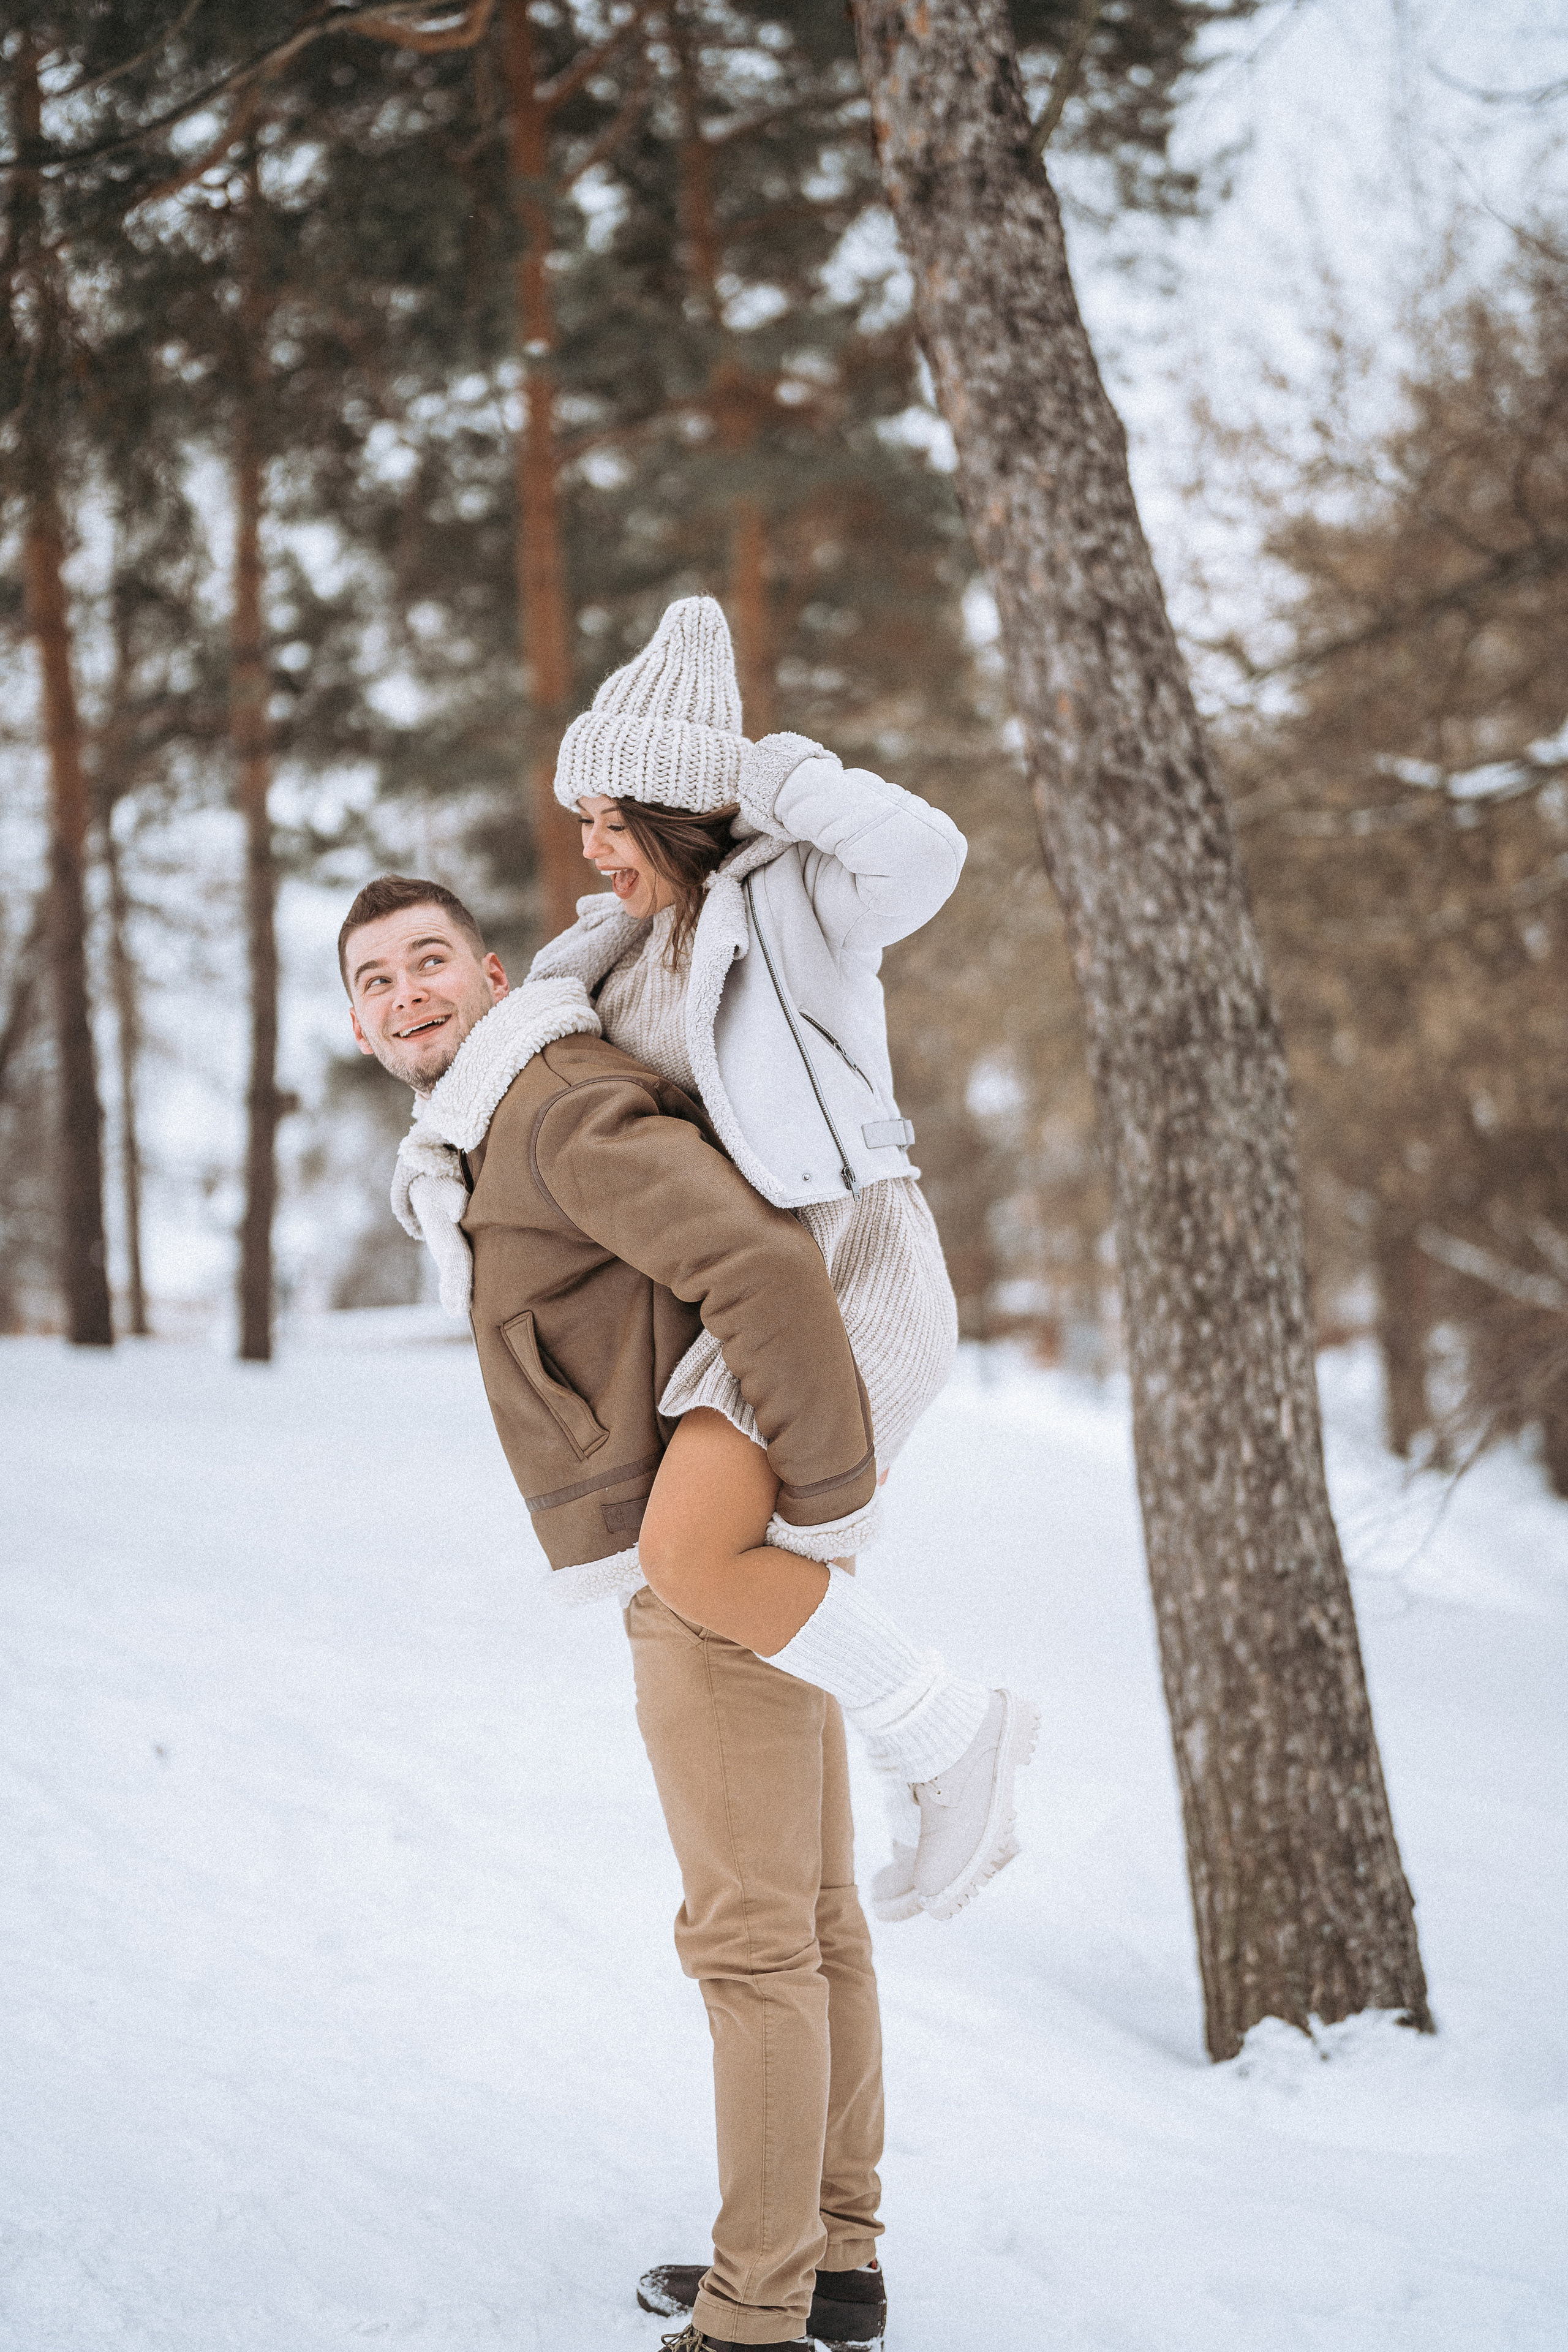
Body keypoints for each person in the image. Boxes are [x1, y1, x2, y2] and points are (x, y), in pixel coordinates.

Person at [342, 873, 886, 2351]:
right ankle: (830, 2258)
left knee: (749, 1944)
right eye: (374, 980)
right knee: (810, 1920)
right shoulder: (492, 1126)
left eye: (428, 960)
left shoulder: (544, 1104)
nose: (405, 996)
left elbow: (758, 1263)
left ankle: (756, 2312)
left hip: (704, 1551)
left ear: (490, 968)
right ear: (359, 1020)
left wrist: (823, 1495)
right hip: (725, 1526)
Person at [514, 594, 1038, 1928]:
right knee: (735, 1566)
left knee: (695, 1556)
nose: (587, 846)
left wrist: (767, 775)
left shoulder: (796, 899)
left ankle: (953, 1734)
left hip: (850, 1265)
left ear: (668, 809)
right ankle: (937, 1752)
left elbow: (925, 856)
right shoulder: (617, 957)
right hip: (745, 1298)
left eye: (608, 819)